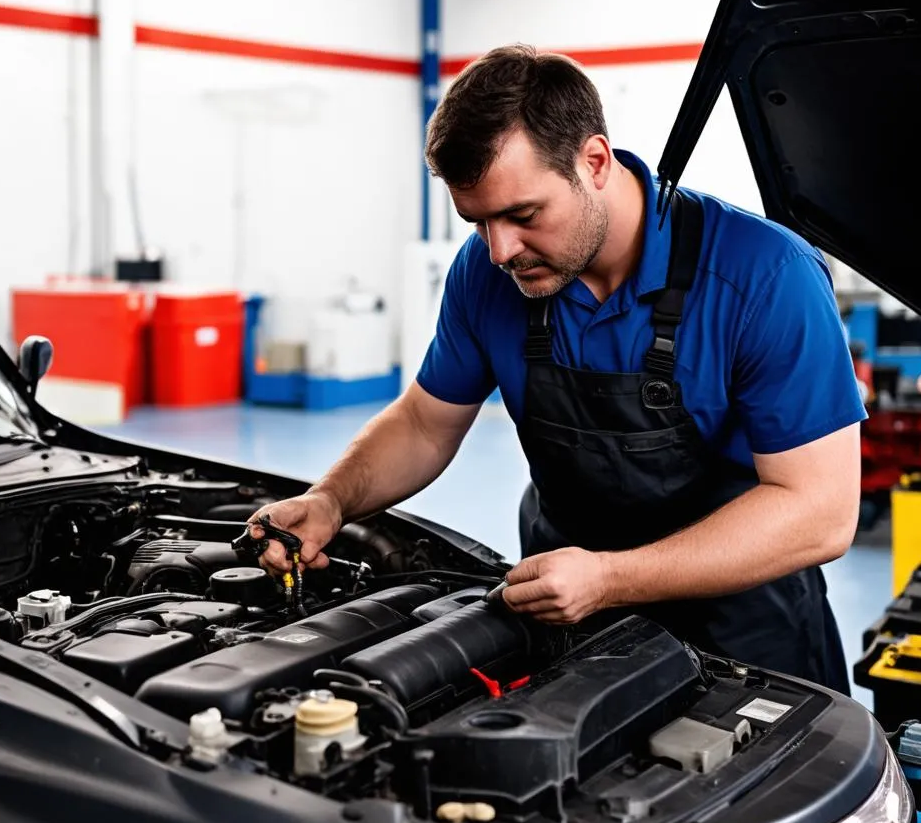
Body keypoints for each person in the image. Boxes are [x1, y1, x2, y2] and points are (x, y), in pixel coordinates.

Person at [249, 44, 865, 692]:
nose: (499, 250)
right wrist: (331, 500)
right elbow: (427, 423)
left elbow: (818, 510)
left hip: (744, 635)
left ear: (594, 162)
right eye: (478, 221)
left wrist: (611, 578)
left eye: (522, 215)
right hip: (570, 620)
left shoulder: (764, 276)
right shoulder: (487, 273)